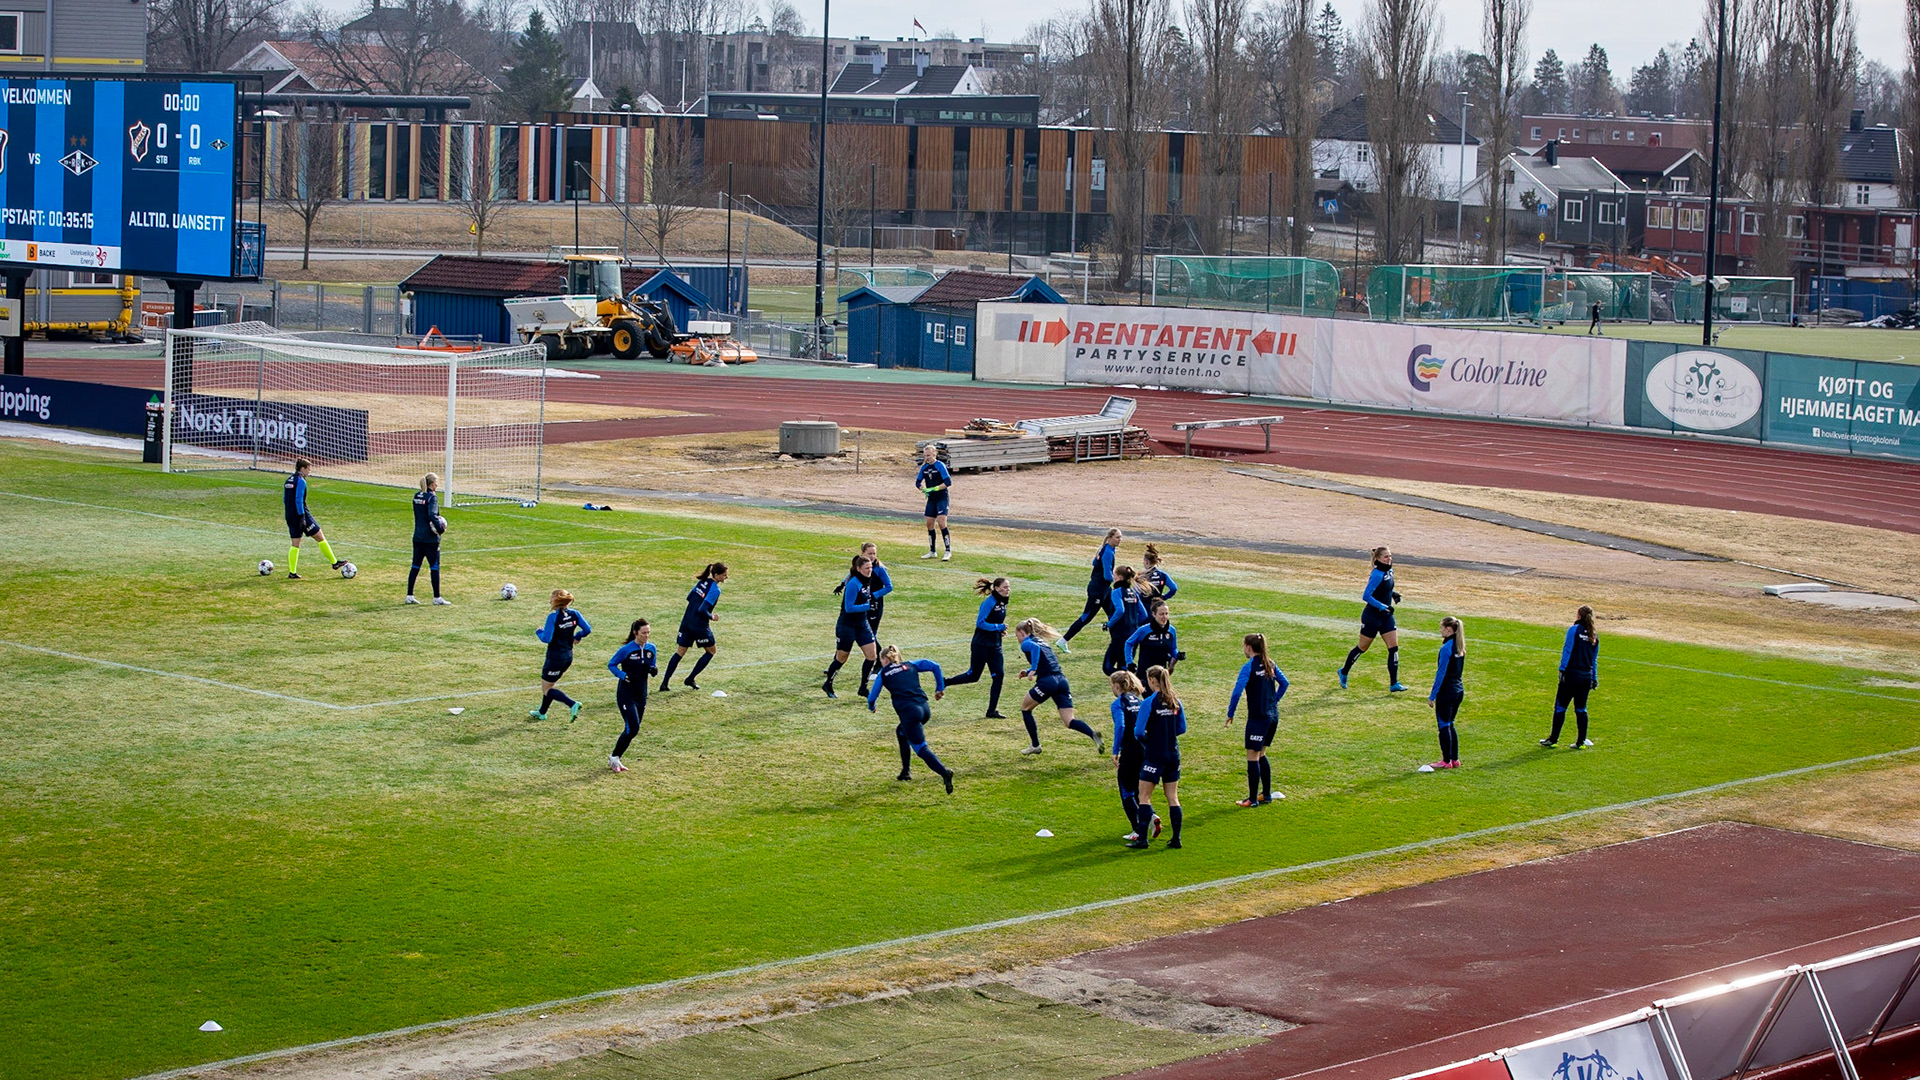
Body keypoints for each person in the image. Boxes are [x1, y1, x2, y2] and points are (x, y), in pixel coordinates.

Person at [867, 645, 955, 793]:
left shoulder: (883, 673)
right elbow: (935, 665)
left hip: (910, 713)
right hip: (924, 709)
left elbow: (871, 697)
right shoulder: (911, 664)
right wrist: (940, 688)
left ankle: (944, 772)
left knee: (921, 748)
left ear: (884, 659)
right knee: (901, 732)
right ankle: (905, 772)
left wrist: (872, 707)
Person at [1013, 617, 1104, 755]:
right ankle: (1092, 734)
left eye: (1016, 635)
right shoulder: (1044, 642)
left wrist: (1032, 669)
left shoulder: (1027, 643)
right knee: (1069, 721)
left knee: (1025, 708)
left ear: (1021, 633)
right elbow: (1048, 663)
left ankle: (1035, 745)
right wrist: (1027, 671)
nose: (1017, 638)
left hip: (1047, 682)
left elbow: (1035, 649)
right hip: (1061, 681)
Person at [1127, 665, 1186, 850]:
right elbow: (1181, 728)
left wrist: (1150, 740)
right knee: (1173, 797)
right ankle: (1176, 839)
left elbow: (1138, 731)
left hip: (1154, 755)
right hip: (1173, 755)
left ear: (1152, 681)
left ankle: (1143, 839)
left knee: (1144, 797)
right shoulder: (1175, 701)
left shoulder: (1149, 702)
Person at [1227, 633, 1289, 806]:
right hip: (1273, 717)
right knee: (1262, 754)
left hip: (1258, 718)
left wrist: (1230, 713)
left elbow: (1237, 691)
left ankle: (1252, 799)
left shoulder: (1249, 667)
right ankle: (1266, 795)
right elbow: (1285, 683)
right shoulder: (1270, 664)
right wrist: (1274, 701)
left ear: (1248, 647)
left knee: (1252, 757)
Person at [1338, 547, 1406, 691]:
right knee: (1362, 648)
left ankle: (1394, 683)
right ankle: (1344, 671)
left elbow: (1383, 589)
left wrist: (1393, 594)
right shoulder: (1377, 574)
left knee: (1393, 648)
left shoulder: (1389, 571)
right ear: (1378, 559)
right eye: (1386, 557)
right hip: (1372, 617)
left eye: (1390, 556)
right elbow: (1367, 595)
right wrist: (1382, 606)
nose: (1389, 559)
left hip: (1386, 617)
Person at [945, 576, 1010, 719]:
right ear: (997, 589)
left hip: (995, 646)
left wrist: (999, 630)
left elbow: (993, 621)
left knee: (999, 676)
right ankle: (946, 682)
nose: (1008, 590)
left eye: (1008, 587)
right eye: (1005, 587)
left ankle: (991, 710)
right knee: (974, 676)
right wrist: (998, 627)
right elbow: (980, 623)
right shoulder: (989, 603)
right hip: (981, 645)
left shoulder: (1003, 602)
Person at [1109, 670, 1160, 842]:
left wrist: (1116, 750)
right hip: (1144, 749)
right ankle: (1151, 816)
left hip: (1129, 751)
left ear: (1117, 686)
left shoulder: (1118, 704)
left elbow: (1121, 727)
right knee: (1139, 789)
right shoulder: (1140, 702)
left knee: (1126, 790)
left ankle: (1137, 828)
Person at [661, 563, 727, 692]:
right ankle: (690, 678)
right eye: (724, 575)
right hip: (699, 626)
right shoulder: (715, 590)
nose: (726, 577)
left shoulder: (702, 582)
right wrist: (712, 617)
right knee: (711, 651)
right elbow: (702, 609)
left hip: (686, 621)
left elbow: (689, 597)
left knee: (679, 652)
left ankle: (664, 683)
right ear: (716, 575)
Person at [1542, 605, 1600, 749]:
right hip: (1586, 677)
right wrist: (1594, 678)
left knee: (1560, 707)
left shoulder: (1574, 630)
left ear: (1579, 616)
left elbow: (1567, 650)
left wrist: (1562, 670)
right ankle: (1581, 742)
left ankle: (1553, 739)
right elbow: (1594, 660)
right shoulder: (1594, 636)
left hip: (1571, 675)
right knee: (1581, 709)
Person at [823, 554, 879, 698]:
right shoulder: (853, 584)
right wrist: (868, 606)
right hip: (847, 626)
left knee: (872, 656)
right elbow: (848, 607)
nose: (869, 570)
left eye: (871, 567)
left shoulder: (867, 580)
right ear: (859, 569)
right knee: (841, 658)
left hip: (862, 624)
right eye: (866, 568)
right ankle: (828, 683)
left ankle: (863, 688)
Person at [531, 589, 592, 722]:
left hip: (555, 658)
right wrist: (578, 636)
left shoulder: (553, 617)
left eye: (551, 598)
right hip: (568, 656)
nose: (549, 600)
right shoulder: (575, 614)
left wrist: (538, 631)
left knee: (547, 689)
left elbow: (546, 638)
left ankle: (572, 704)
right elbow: (587, 629)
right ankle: (542, 712)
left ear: (557, 600)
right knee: (548, 685)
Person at [606, 618, 657, 773]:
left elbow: (651, 664)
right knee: (632, 728)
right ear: (636, 633)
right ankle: (614, 757)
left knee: (634, 729)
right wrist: (622, 675)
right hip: (626, 694)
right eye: (643, 633)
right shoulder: (626, 650)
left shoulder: (651, 649)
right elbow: (611, 664)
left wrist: (653, 669)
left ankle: (616, 757)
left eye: (648, 632)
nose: (647, 635)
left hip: (641, 694)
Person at [282, 458, 346, 580]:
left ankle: (292, 572)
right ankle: (334, 562)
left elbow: (285, 499)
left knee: (295, 544)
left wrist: (291, 514)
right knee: (320, 536)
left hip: (289, 515)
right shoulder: (301, 481)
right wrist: (302, 517)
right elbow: (298, 499)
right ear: (302, 468)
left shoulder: (288, 480)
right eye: (308, 469)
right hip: (301, 515)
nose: (309, 472)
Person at [1061, 528, 1123, 646]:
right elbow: (1107, 576)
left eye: (1120, 537)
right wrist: (1118, 578)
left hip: (1104, 589)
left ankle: (1117, 641)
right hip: (1098, 590)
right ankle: (1063, 641)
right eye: (1117, 537)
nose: (1120, 540)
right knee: (1086, 617)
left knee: (1113, 613)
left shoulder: (1105, 549)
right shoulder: (1108, 552)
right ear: (1110, 538)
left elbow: (1095, 563)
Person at [1427, 616, 1467, 770]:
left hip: (1447, 692)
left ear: (1449, 630)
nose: (1440, 630)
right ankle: (1455, 759)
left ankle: (1446, 761)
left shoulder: (1446, 649)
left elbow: (1441, 673)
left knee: (1443, 725)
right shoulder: (1460, 647)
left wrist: (1432, 695)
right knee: (1450, 724)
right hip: (1458, 690)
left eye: (1442, 628)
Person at [856, 542, 895, 696]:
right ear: (863, 553)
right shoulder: (861, 567)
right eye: (869, 554)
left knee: (870, 633)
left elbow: (889, 586)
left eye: (874, 553)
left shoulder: (879, 568)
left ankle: (879, 662)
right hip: (863, 603)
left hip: (875, 606)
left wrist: (874, 595)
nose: (872, 556)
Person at [405, 472, 450, 605]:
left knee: (415, 566)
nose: (438, 484)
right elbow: (432, 515)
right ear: (431, 483)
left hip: (417, 537)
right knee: (434, 567)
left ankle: (409, 595)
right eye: (436, 482)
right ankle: (437, 597)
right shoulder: (432, 497)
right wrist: (440, 529)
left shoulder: (417, 496)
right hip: (430, 539)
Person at [1101, 566, 1151, 676]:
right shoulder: (1133, 593)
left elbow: (1120, 610)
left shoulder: (1116, 592)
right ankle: (1126, 684)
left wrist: (1109, 624)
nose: (1113, 577)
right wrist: (1134, 624)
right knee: (1124, 666)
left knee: (1107, 668)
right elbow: (1144, 614)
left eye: (1114, 575)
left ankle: (1127, 680)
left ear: (1120, 577)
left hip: (1120, 636)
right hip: (1132, 635)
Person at [1124, 599, 1179, 678]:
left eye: (1166, 614)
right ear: (1154, 614)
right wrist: (1129, 662)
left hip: (1161, 674)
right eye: (1161, 614)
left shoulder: (1171, 630)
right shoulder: (1144, 630)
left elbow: (1173, 648)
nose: (1165, 617)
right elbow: (1129, 643)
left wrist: (1177, 655)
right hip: (1145, 674)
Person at [916, 445, 953, 561]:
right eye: (925, 455)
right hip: (931, 499)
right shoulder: (925, 468)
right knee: (929, 523)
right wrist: (923, 488)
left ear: (934, 455)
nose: (927, 458)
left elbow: (948, 482)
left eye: (929, 455)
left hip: (941, 497)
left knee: (942, 522)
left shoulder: (940, 466)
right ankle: (932, 551)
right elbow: (917, 482)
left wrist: (935, 488)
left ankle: (947, 550)